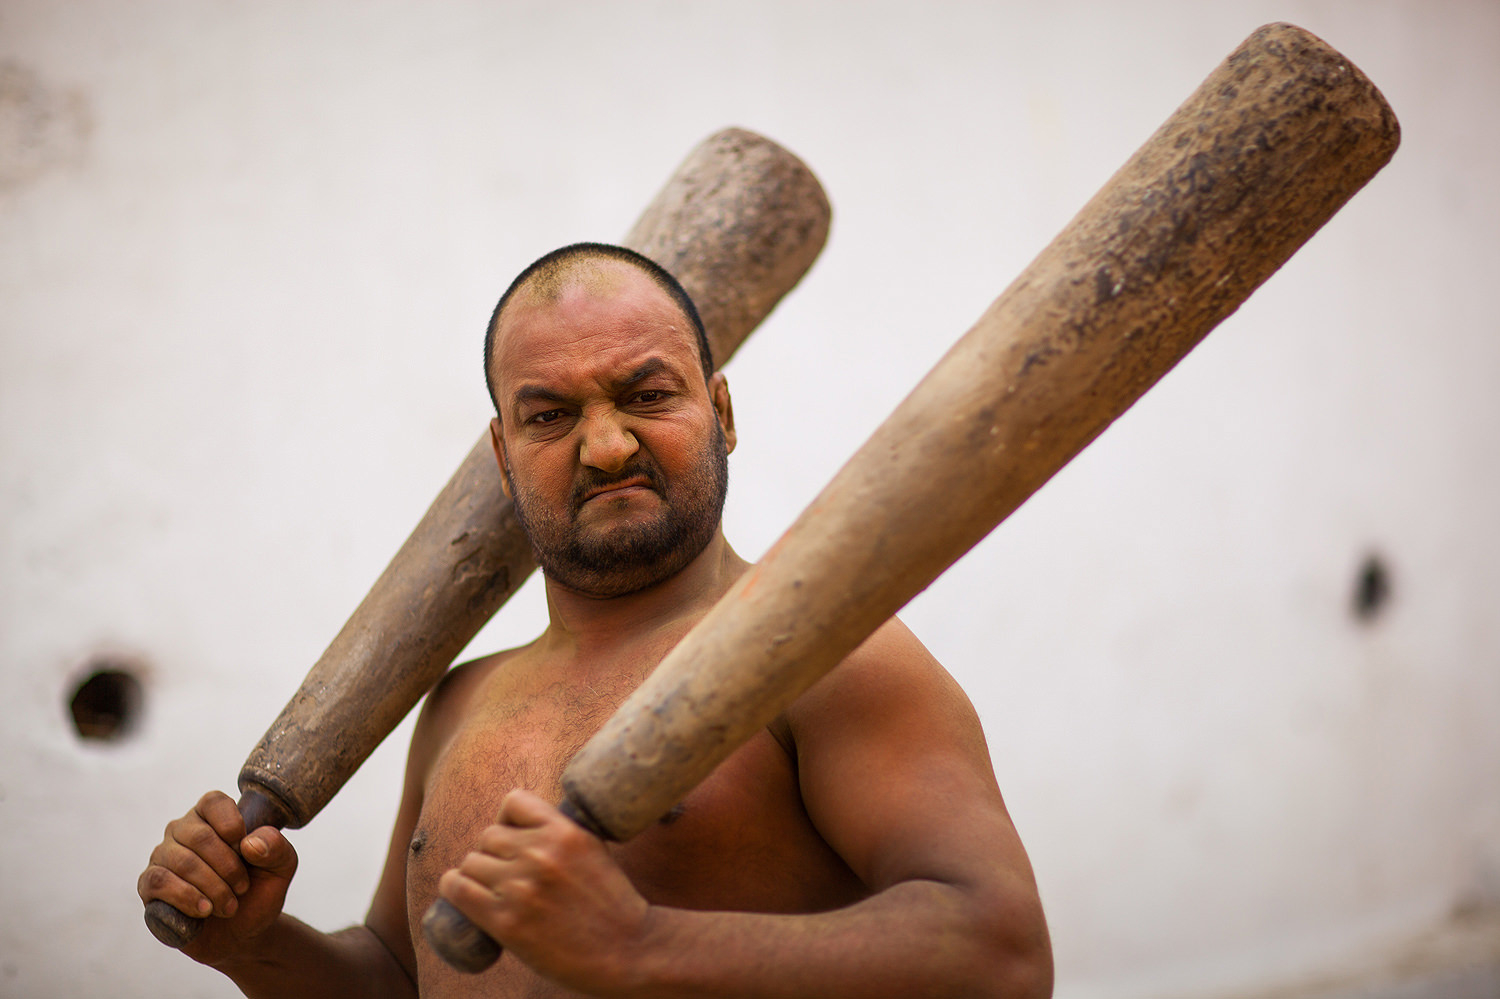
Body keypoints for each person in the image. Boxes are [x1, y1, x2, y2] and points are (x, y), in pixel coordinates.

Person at [138, 243, 1053, 998]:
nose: (607, 446)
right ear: (503, 452)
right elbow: (402, 976)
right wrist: (251, 944)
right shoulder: (462, 700)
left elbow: (1000, 952)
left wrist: (641, 946)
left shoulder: (824, 655)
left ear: (722, 411)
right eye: (551, 414)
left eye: (648, 395)